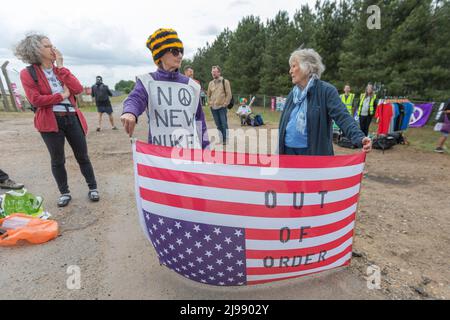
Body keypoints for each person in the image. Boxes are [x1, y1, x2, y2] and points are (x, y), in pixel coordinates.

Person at [15, 33, 99, 207]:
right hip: (50, 120)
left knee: (82, 155)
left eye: (52, 45)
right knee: (57, 159)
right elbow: (35, 100)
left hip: (72, 117)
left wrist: (61, 67)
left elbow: (76, 89)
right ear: (36, 50)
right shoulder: (27, 73)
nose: (53, 49)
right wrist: (61, 95)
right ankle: (64, 192)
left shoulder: (59, 70)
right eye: (48, 46)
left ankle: (93, 187)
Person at [121, 28, 209, 150]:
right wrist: (130, 112)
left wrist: (206, 148)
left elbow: (200, 120)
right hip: (160, 156)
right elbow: (135, 98)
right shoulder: (147, 82)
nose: (180, 55)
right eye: (174, 51)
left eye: (181, 51)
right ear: (160, 56)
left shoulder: (192, 85)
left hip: (189, 153)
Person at [278, 48, 372, 155]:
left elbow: (343, 117)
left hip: (312, 154)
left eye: (294, 66)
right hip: (288, 152)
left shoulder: (326, 91)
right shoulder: (293, 94)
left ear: (307, 68)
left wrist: (359, 137)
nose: (290, 71)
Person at [207, 65, 232, 145]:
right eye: (212, 72)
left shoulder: (225, 81)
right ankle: (221, 139)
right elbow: (208, 95)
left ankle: (226, 139)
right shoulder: (210, 83)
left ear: (219, 72)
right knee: (218, 124)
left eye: (215, 72)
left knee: (224, 123)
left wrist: (225, 104)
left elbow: (229, 94)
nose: (213, 73)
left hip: (222, 107)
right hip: (213, 107)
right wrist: (210, 103)